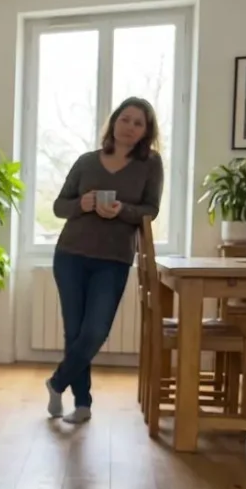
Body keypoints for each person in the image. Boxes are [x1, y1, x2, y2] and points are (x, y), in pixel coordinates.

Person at [45, 97, 163, 424]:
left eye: (138, 123)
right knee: (75, 331)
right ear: (114, 122)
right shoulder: (86, 162)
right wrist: (82, 203)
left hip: (113, 260)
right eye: (125, 119)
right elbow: (59, 207)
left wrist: (122, 210)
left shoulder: (150, 164)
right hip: (70, 255)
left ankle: (56, 382)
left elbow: (150, 210)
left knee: (95, 330)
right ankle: (82, 403)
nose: (130, 127)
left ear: (146, 132)